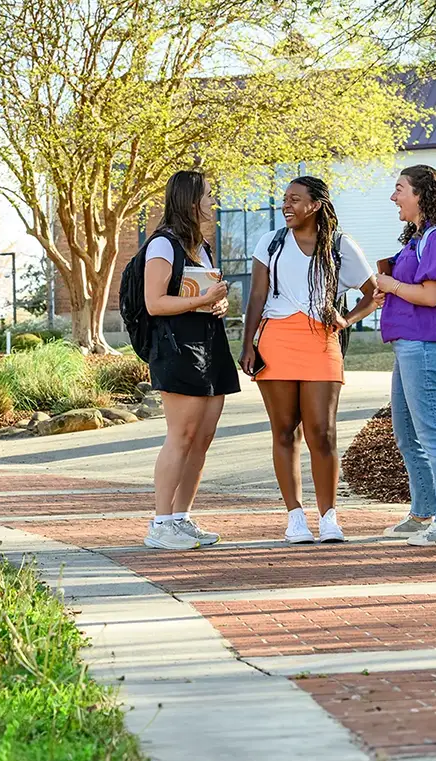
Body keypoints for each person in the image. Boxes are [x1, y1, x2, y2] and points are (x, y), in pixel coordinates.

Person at [240, 176, 377, 544]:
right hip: (276, 339)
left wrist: (346, 319)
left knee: (323, 432)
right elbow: (256, 296)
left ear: (315, 205)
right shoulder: (268, 243)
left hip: (321, 341)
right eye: (285, 199)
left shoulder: (340, 245)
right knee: (284, 431)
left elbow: (373, 294)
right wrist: (247, 343)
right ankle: (295, 518)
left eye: (295, 200)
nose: (287, 206)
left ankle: (329, 517)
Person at [375, 164, 436, 546]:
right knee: (408, 433)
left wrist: (392, 284)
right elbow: (413, 292)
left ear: (421, 194)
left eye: (400, 189)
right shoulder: (417, 241)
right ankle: (423, 513)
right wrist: (389, 289)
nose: (393, 197)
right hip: (409, 347)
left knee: (435, 434)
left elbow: (431, 297)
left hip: (428, 347)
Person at [143, 170, 241, 550]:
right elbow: (155, 303)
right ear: (190, 200)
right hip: (177, 348)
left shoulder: (201, 246)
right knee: (180, 435)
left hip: (209, 344)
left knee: (202, 437)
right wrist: (202, 300)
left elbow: (196, 295)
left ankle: (181, 518)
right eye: (207, 195)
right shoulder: (163, 245)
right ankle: (160, 523)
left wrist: (216, 302)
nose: (212, 201)